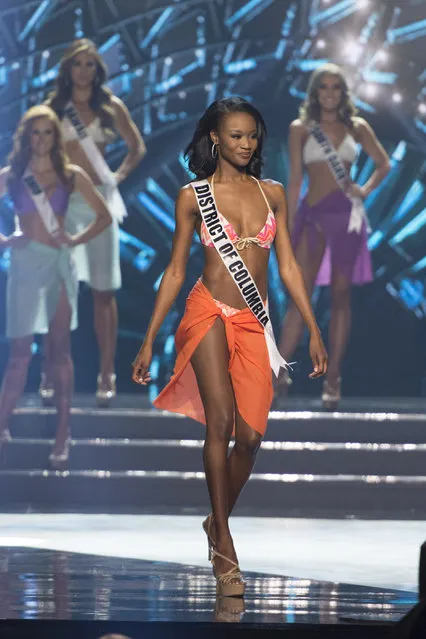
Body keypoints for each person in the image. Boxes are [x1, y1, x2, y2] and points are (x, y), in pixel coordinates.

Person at [132, 97, 327, 597]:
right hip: (207, 312)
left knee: (252, 438)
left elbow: (287, 268)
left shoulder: (273, 195)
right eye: (236, 135)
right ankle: (225, 547)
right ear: (215, 138)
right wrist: (150, 337)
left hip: (253, 322)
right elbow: (176, 269)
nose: (246, 144)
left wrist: (313, 327)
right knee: (220, 422)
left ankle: (215, 523)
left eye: (253, 136)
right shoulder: (192, 196)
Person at [0, 105, 111, 467]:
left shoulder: (70, 174)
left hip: (58, 265)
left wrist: (76, 239)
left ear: (55, 137)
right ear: (25, 136)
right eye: (36, 132)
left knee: (59, 349)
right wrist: (5, 240)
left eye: (48, 133)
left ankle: (63, 432)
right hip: (25, 264)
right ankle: (2, 426)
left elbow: (104, 216)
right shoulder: (13, 175)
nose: (42, 139)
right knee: (19, 352)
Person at [276, 63, 390, 409]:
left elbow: (383, 163)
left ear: (343, 93)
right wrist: (287, 230)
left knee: (341, 296)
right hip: (312, 217)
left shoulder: (358, 128)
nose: (329, 93)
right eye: (323, 88)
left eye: (335, 88)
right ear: (315, 93)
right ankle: (278, 372)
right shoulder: (301, 129)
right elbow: (295, 181)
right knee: (301, 296)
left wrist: (365, 190)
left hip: (346, 218)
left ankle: (333, 377)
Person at [42, 38, 146, 406]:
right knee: (59, 293)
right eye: (77, 64)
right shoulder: (53, 108)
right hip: (63, 203)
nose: (83, 71)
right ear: (67, 69)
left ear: (97, 70)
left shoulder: (110, 107)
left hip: (99, 202)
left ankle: (107, 373)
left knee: (104, 292)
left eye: (89, 65)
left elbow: (137, 147)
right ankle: (50, 370)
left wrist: (116, 177)